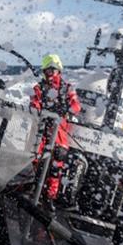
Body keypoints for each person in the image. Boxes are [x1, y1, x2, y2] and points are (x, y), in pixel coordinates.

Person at [30, 53, 81, 201]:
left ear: (59, 70)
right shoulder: (39, 88)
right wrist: (40, 110)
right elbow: (34, 103)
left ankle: (49, 198)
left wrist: (65, 108)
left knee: (56, 165)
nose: (50, 74)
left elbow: (76, 106)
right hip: (41, 129)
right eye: (47, 71)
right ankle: (35, 190)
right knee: (36, 160)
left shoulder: (67, 89)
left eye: (53, 70)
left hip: (59, 132)